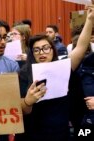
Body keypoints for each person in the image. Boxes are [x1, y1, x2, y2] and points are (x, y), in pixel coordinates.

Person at [15, 6, 94, 141]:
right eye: (37, 50)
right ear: (32, 53)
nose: (42, 53)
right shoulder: (24, 73)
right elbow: (20, 110)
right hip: (33, 133)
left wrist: (90, 19)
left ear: (53, 50)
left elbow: (81, 47)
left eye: (46, 48)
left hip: (60, 132)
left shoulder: (62, 67)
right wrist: (28, 101)